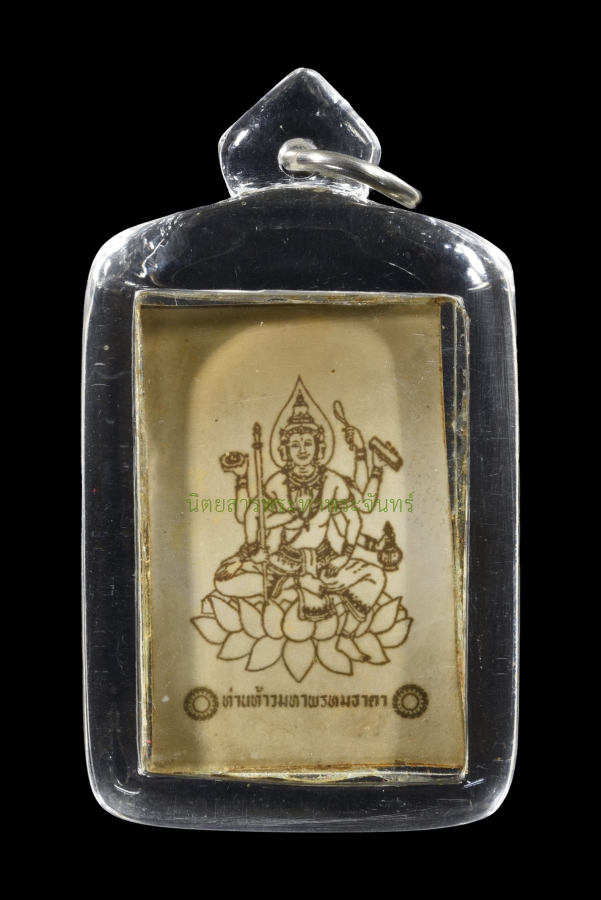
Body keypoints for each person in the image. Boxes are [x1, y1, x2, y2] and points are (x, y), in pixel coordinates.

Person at [211, 390, 388, 659]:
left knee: (377, 577)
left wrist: (345, 556)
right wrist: (244, 480)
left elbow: (354, 518)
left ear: (319, 447)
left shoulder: (333, 481)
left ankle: (346, 635)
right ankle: (300, 589)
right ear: (285, 450)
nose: (303, 450)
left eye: (308, 443)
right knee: (223, 581)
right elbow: (250, 517)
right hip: (281, 563)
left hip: (324, 563)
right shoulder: (276, 483)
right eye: (295, 445)